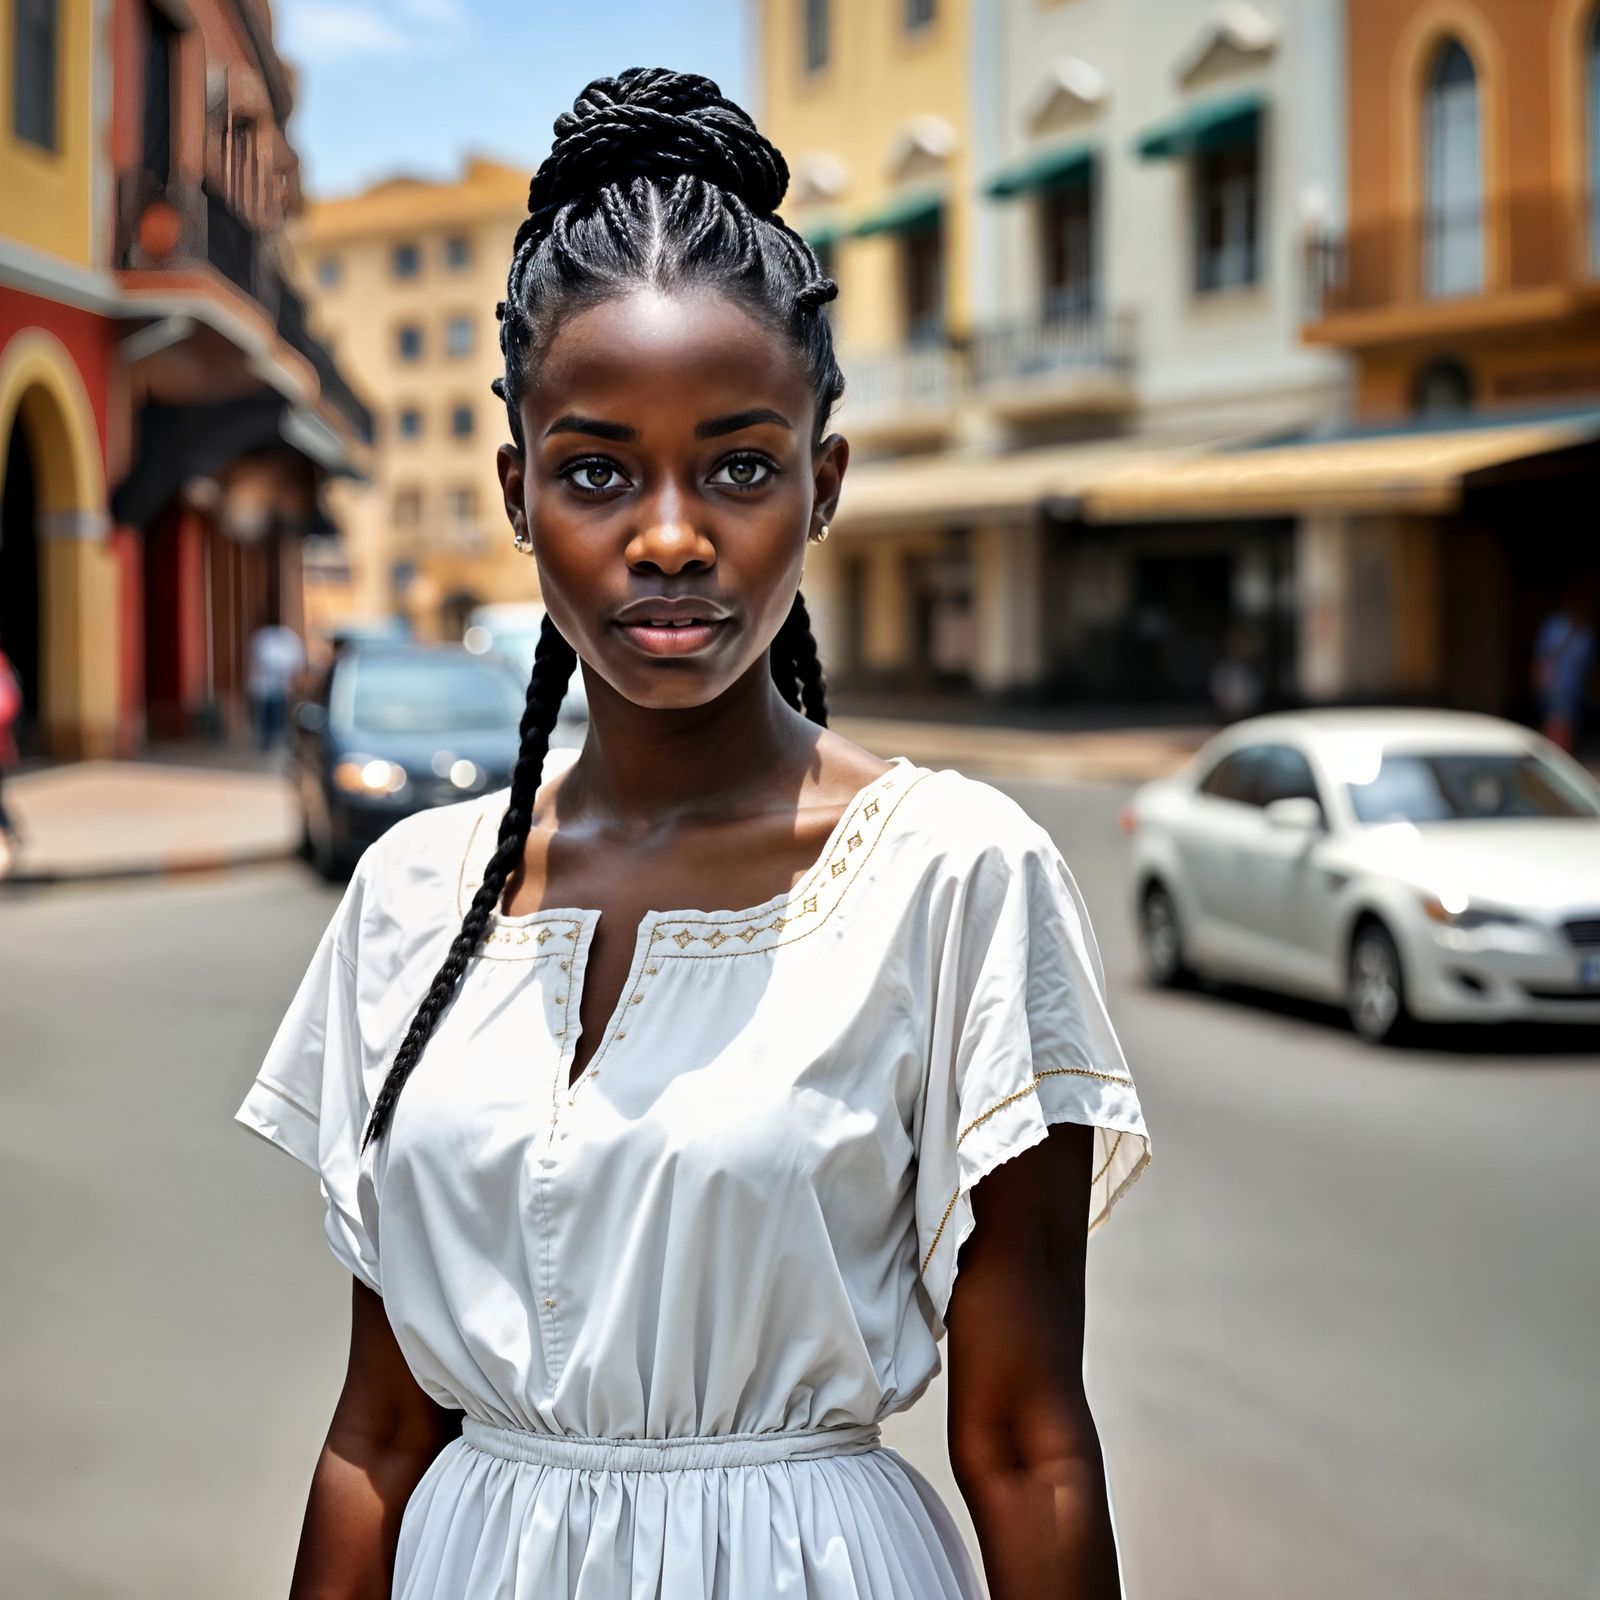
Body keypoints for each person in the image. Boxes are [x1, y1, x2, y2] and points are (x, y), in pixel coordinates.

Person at [235, 69, 1150, 1600]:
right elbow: (379, 1438)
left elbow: (1027, 1443)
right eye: (598, 471)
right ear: (518, 490)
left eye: (739, 465)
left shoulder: (952, 876)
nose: (670, 533)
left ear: (822, 483)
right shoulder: (411, 895)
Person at [1532, 592, 1595, 754]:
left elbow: (1586, 663)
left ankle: (1562, 755)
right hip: (1557, 684)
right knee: (1556, 722)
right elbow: (1544, 655)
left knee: (1568, 723)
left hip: (1574, 686)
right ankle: (1553, 756)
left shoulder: (1584, 631)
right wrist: (1542, 678)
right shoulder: (1557, 626)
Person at [247, 620, 305, 752]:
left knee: (278, 715)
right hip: (264, 687)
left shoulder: (288, 639)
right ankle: (267, 742)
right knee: (265, 717)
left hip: (280, 687)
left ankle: (275, 741)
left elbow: (295, 663)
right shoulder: (263, 638)